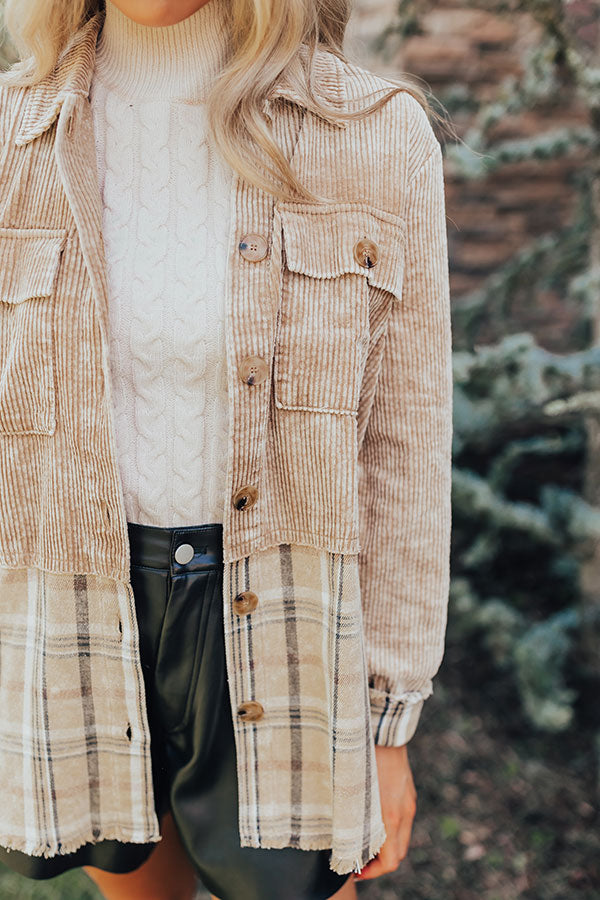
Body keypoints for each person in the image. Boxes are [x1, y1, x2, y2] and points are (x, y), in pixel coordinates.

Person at [0, 0, 453, 898]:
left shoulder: (374, 137)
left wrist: (389, 724)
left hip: (287, 615)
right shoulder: (14, 135)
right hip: (86, 606)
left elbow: (406, 445)